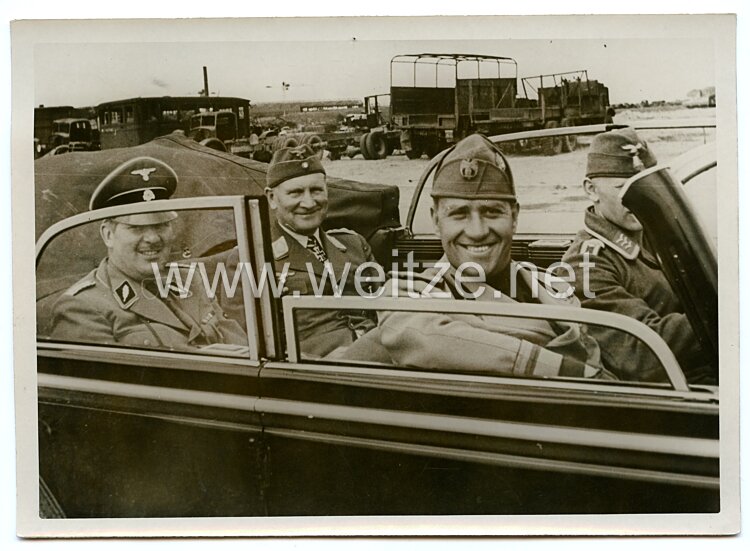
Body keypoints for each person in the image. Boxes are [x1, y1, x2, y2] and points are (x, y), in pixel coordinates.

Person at [369, 134, 610, 379]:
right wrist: (568, 371)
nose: (478, 231)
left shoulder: (552, 287)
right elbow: (422, 336)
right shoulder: (408, 295)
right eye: (459, 214)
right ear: (435, 220)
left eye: (492, 212)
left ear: (514, 218)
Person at [561, 128, 713, 383]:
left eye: (646, 189)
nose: (637, 200)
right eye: (623, 188)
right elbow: (640, 352)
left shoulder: (652, 234)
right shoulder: (586, 265)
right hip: (677, 389)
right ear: (591, 190)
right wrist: (726, 315)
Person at [50, 156, 248, 352]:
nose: (153, 238)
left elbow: (242, 348)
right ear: (108, 234)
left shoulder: (189, 278)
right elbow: (112, 381)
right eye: (137, 228)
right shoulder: (83, 306)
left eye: (161, 225)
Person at [264, 144, 380, 357]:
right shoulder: (257, 256)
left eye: (316, 190)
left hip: (377, 356)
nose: (309, 202)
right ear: (272, 198)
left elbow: (384, 306)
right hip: (315, 373)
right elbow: (253, 344)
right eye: (296, 193)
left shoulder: (354, 244)